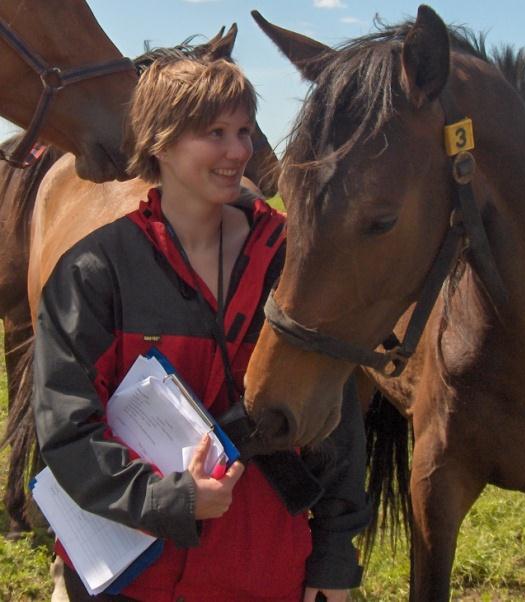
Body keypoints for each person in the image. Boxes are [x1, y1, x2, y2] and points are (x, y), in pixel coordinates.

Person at [32, 56, 370, 602]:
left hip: (262, 572)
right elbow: (67, 429)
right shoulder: (95, 271)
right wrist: (170, 500)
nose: (239, 151)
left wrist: (333, 560)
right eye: (214, 133)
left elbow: (337, 422)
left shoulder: (290, 264)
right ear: (160, 142)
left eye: (243, 131)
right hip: (124, 578)